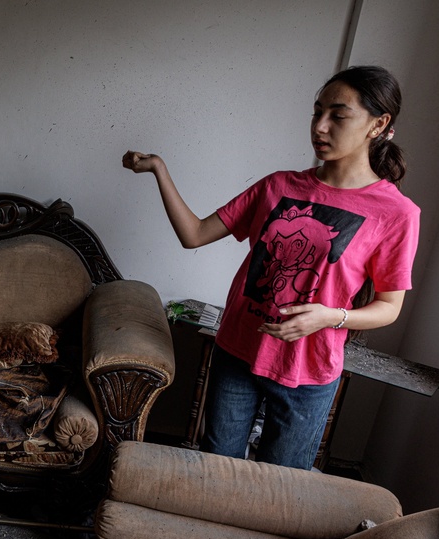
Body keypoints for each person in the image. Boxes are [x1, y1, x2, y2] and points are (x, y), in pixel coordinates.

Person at [123, 65, 420, 470]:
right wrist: (160, 169)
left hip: (309, 371)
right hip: (237, 351)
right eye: (317, 112)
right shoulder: (278, 186)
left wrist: (331, 317)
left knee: (279, 489)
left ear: (378, 124)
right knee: (215, 471)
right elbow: (193, 234)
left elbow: (390, 306)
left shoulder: (396, 213)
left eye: (338, 115)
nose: (320, 126)